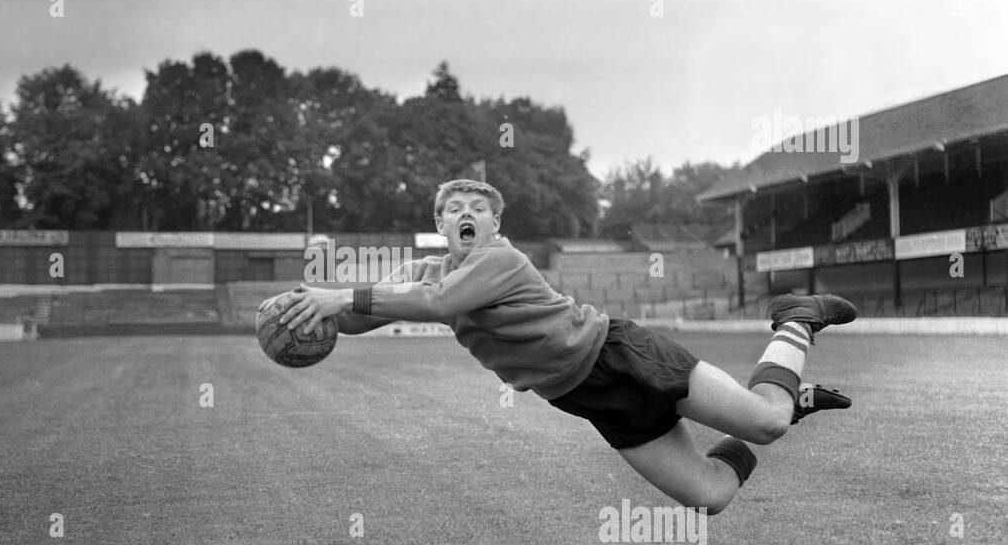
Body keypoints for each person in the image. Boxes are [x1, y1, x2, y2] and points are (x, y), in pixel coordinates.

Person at [278, 179, 853, 516]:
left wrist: (339, 297)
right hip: (588, 400)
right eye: (454, 209)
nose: (466, 214)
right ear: (439, 223)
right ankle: (790, 399)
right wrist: (307, 310)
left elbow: (437, 305)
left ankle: (796, 320)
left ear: (496, 221)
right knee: (710, 496)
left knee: (768, 423)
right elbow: (358, 320)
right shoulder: (422, 271)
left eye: (478, 207)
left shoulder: (500, 259)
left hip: (621, 355)